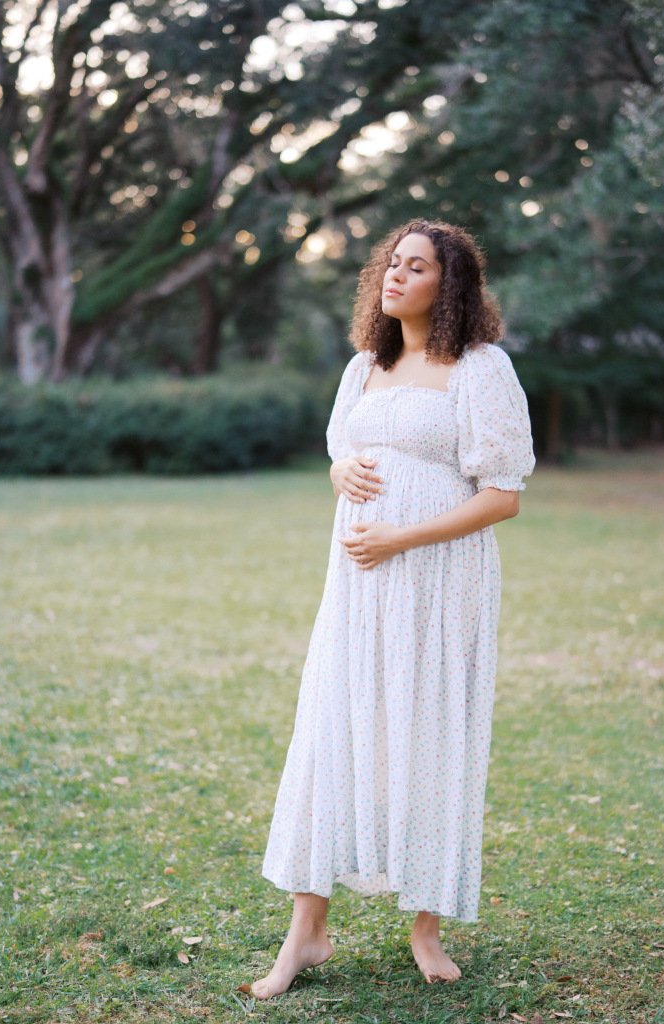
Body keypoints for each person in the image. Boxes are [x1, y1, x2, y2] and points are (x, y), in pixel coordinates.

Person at [251, 219, 535, 999]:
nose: (396, 276)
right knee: (333, 730)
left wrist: (402, 536)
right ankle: (306, 929)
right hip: (358, 584)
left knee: (430, 733)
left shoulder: (478, 368)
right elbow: (341, 452)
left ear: (450, 286)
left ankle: (426, 925)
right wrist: (341, 474)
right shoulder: (363, 366)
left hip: (440, 581)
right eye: (393, 263)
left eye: (416, 267)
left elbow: (502, 497)